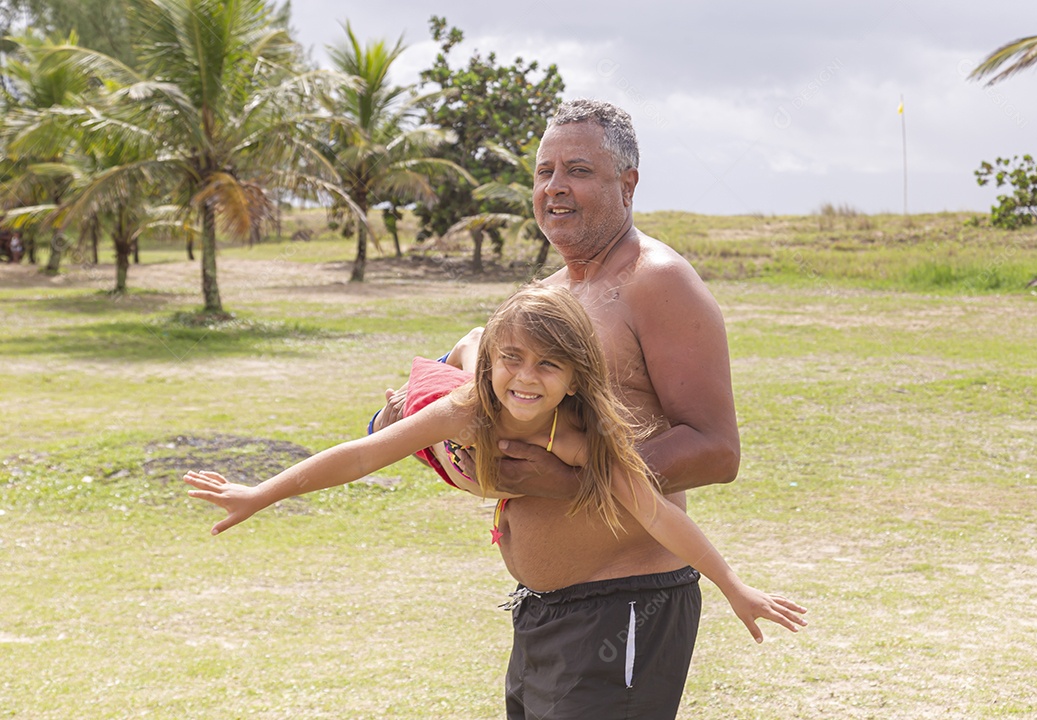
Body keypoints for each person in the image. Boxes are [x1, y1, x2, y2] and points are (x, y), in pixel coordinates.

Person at [184, 286, 806, 704]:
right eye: (513, 360)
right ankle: (471, 342)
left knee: (474, 360)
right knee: (453, 366)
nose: (527, 379)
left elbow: (656, 512)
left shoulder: (579, 438)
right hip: (449, 414)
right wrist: (258, 493)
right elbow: (365, 453)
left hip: (599, 607)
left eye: (549, 366)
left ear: (575, 380)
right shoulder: (471, 403)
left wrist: (733, 586)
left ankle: (475, 340)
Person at [370, 100, 759, 718]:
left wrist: (574, 482)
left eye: (578, 170)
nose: (554, 187)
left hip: (624, 604)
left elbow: (716, 448)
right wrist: (404, 426)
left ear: (627, 184)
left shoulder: (657, 282)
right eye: (543, 171)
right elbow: (479, 406)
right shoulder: (544, 299)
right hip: (543, 611)